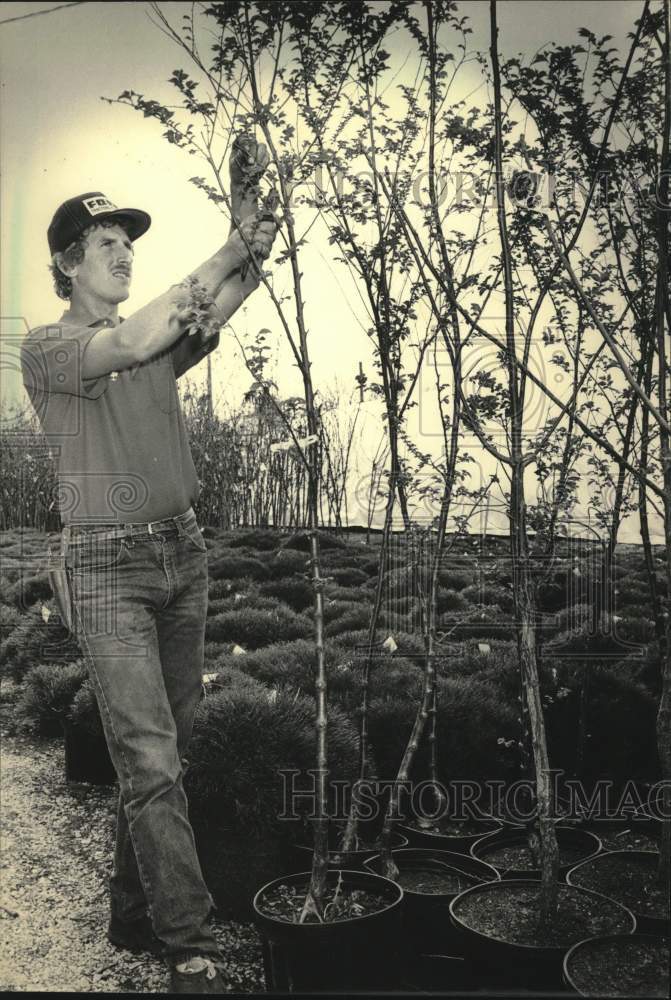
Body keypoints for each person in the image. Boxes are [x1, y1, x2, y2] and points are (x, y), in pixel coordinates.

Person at [20, 137, 277, 994]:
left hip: (181, 554)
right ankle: (187, 945)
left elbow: (233, 291)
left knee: (171, 753)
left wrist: (253, 223)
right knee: (151, 760)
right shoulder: (53, 351)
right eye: (107, 243)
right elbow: (135, 339)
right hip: (104, 569)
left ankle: (134, 915)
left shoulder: (158, 337)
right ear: (67, 263)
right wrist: (227, 246)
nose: (126, 253)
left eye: (131, 241)